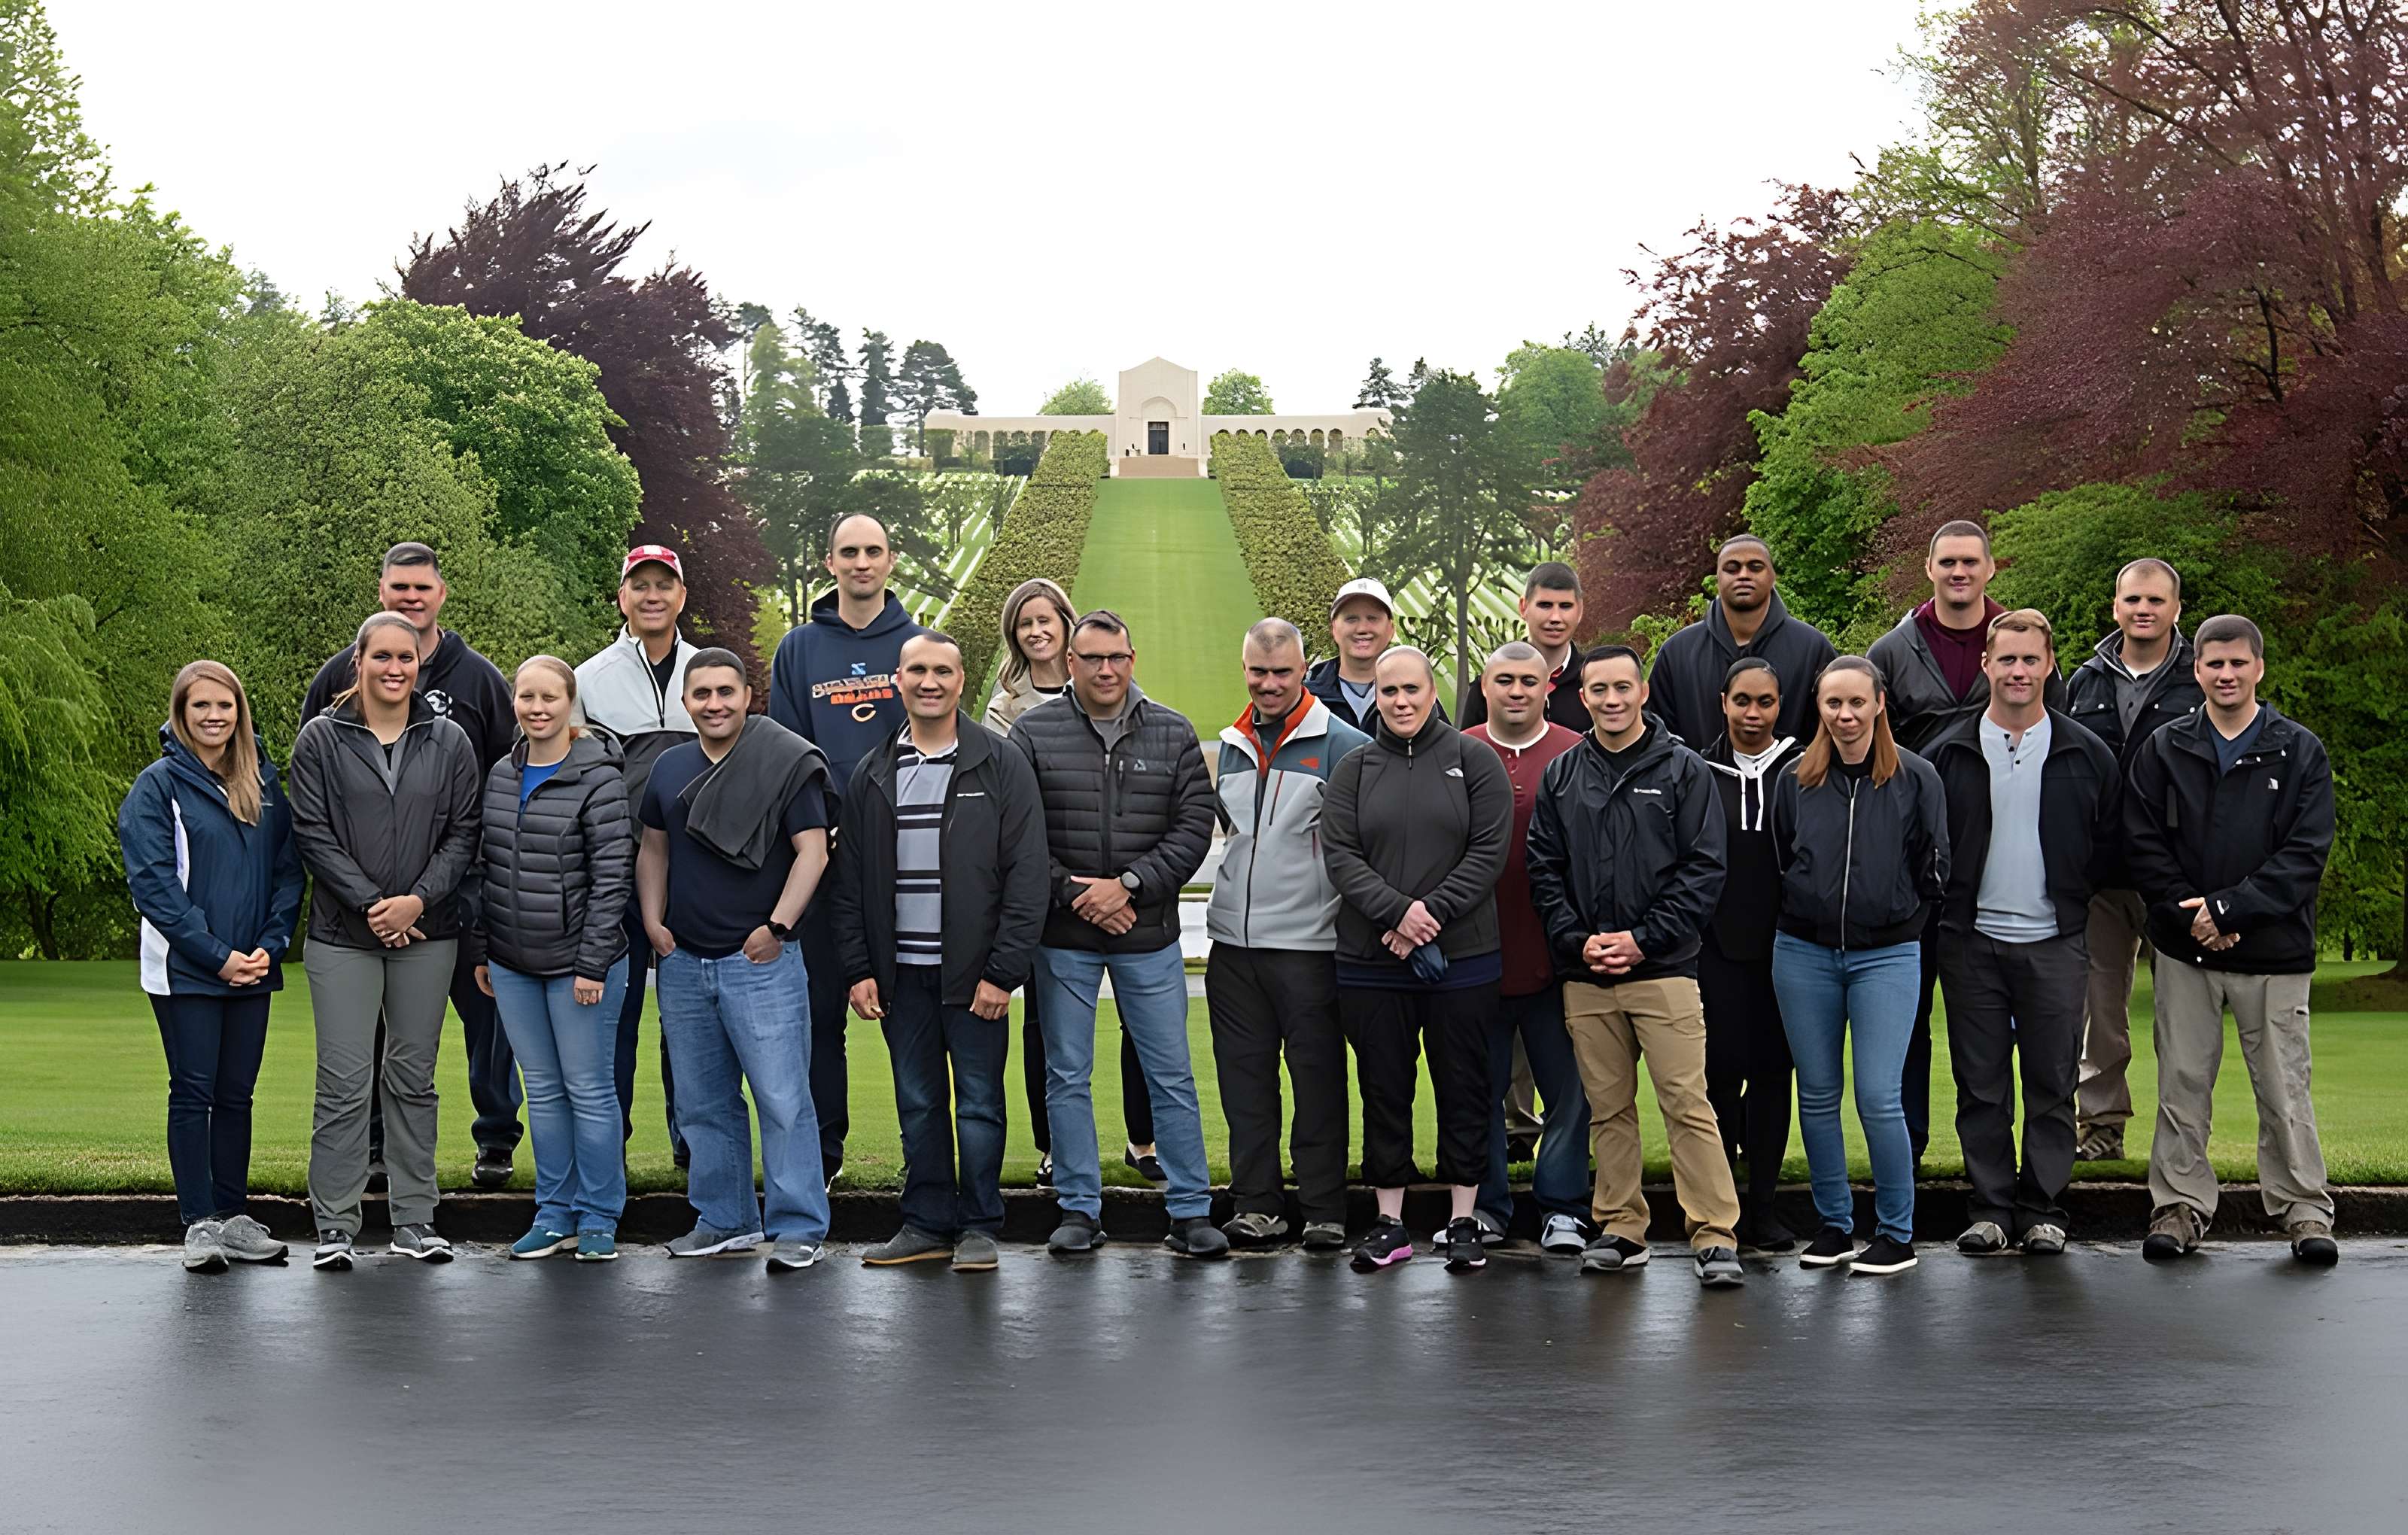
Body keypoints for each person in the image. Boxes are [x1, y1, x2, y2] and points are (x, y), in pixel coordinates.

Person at [300, 542, 521, 1189]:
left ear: (441, 594)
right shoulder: (337, 676)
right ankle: (370, 1151)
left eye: (422, 588)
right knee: (365, 1042)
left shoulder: (478, 678)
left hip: (463, 888)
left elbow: (504, 777)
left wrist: (428, 894)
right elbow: (316, 801)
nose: (411, 598)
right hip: (359, 905)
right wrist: (374, 901)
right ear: (381, 592)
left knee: (484, 1019)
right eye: (399, 588)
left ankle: (496, 1138)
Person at [1010, 609, 1226, 1259]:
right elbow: (1019, 836)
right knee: (1066, 1074)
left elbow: (1192, 830)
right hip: (1064, 935)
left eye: (1118, 658)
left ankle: (1190, 1209)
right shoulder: (1032, 731)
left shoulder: (1172, 731)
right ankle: (1079, 1207)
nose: (1106, 670)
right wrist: (1079, 894)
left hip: (1147, 931)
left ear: (1134, 660)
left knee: (1170, 1073)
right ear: (1070, 664)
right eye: (1093, 658)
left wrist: (1127, 886)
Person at [2124, 616, 2338, 1266]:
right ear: (2198, 671)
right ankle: (2180, 1206)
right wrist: (2193, 916)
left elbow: (2305, 854)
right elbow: (2141, 841)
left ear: (2259, 669)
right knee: (2183, 1082)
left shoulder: (2299, 750)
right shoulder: (2165, 747)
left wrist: (2229, 907)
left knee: (2282, 1086)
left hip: (2273, 951)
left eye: (2238, 664)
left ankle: (2303, 1209)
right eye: (2214, 665)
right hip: (2184, 949)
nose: (2226, 675)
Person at [1526, 647, 1741, 1287]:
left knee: (1686, 1102)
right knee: (1608, 1108)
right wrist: (1576, 939)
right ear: (1583, 696)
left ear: (1643, 692)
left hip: (1664, 971)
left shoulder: (1683, 770)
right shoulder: (1564, 775)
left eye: (1623, 687)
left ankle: (1714, 1235)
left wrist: (1644, 940)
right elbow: (1544, 868)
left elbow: (1704, 868)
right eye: (1599, 689)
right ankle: (1621, 1227)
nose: (1612, 699)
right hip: (1588, 975)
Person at [837, 631, 1049, 1272]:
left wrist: (1002, 973)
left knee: (979, 1103)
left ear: (963, 681)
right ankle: (926, 1220)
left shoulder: (1000, 763)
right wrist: (859, 969)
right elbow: (849, 885)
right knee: (919, 1102)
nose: (929, 682)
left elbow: (1028, 875)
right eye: (917, 671)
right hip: (901, 977)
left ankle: (980, 1224)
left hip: (974, 979)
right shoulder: (872, 772)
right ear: (897, 681)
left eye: (943, 672)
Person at [287, 612, 485, 1272]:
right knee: (344, 1082)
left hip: (428, 931)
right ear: (359, 662)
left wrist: (415, 901)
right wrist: (374, 904)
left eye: (407, 658)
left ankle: (415, 1219)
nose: (395, 668)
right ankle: (336, 1225)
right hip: (343, 935)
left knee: (412, 1077)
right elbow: (311, 832)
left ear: (418, 666)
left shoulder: (451, 741)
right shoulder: (321, 738)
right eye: (383, 657)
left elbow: (464, 833)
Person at [1865, 520, 2066, 1166]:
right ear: (1928, 567)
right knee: (1908, 1014)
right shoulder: (1893, 652)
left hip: (2002, 856)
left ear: (1990, 569)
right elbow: (1871, 754)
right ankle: (1908, 1148)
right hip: (1912, 859)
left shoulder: (2021, 642)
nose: (1959, 572)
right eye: (1947, 561)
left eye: (1970, 562)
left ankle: (2028, 1169)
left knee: (2007, 1023)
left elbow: (2055, 743)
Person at [1925, 612, 2118, 1257]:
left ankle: (2043, 1209)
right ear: (1987, 666)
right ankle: (1989, 1209)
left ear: (2049, 665)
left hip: (2055, 940)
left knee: (2051, 1079)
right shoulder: (1948, 753)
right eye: (2006, 660)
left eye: (2031, 660)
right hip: (1971, 940)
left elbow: (2111, 843)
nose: (2018, 672)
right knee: (1980, 1084)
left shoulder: (2085, 753)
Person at [640, 649, 836, 1270]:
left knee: (782, 1098)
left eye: (726, 692)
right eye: (702, 694)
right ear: (686, 702)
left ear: (748, 696)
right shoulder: (669, 767)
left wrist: (778, 926)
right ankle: (724, 1219)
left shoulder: (783, 761)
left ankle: (798, 1225)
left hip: (762, 962)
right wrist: (653, 921)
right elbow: (653, 849)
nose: (714, 704)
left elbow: (814, 852)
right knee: (701, 1102)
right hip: (683, 961)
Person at [1322, 646, 1513, 1272]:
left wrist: (1425, 917)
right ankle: (1391, 1223)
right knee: (1384, 1089)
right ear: (1374, 695)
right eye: (1388, 691)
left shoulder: (1473, 760)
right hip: (1372, 961)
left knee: (1464, 1087)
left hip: (1463, 958)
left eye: (1412, 690)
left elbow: (1488, 853)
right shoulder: (1355, 768)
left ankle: (1463, 1219)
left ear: (1434, 693)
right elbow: (1342, 856)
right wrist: (1397, 914)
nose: (1401, 702)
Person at [117, 661, 306, 1272]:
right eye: (201, 706)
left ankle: (233, 1217)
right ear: (182, 712)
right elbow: (153, 887)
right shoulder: (158, 786)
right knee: (193, 1092)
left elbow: (286, 872)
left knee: (237, 1096)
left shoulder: (262, 781)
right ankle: (199, 1223)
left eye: (224, 706)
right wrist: (216, 955)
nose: (214, 716)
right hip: (186, 970)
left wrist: (268, 947)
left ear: (239, 712)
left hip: (252, 966)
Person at [1768, 656, 1950, 1278]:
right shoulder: (1795, 779)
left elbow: (1934, 867)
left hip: (1888, 956)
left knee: (1879, 1096)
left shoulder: (1916, 777)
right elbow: (1780, 859)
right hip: (1803, 954)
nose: (1844, 716)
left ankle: (1896, 1232)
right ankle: (1834, 1225)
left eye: (1856, 703)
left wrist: (1900, 922)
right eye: (1832, 704)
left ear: (1879, 705)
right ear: (1818, 708)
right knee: (1817, 1095)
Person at [767, 513, 925, 1185]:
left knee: (913, 1026)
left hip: (904, 868)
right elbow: (787, 755)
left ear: (891, 561)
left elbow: (931, 744)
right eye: (848, 553)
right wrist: (822, 827)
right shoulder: (799, 649)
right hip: (822, 864)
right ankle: (821, 1158)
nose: (862, 563)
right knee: (818, 1021)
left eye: (873, 551)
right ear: (829, 565)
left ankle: (926, 1166)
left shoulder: (919, 643)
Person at [982, 576, 1154, 1189]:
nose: (1035, 631)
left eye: (1044, 620)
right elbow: (1009, 811)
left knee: (1140, 1025)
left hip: (1121, 889)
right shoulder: (1006, 708)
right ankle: (1054, 1146)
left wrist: (1119, 887)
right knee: (1045, 1032)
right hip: (1045, 889)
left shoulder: (1114, 685)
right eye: (1023, 623)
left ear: (1066, 626)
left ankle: (1145, 1137)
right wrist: (1074, 890)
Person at [1205, 619, 1370, 1251]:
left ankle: (1325, 1208)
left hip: (1310, 946)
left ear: (1305, 670)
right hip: (1234, 947)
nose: (1268, 684)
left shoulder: (1345, 744)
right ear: (1244, 669)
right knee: (1244, 1084)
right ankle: (1258, 1205)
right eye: (1257, 672)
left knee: (1318, 1081)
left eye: (1281, 673)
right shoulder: (1233, 743)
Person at [475, 657, 634, 1263]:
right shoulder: (499, 775)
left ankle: (598, 1215)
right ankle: (554, 1212)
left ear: (571, 704)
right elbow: (484, 869)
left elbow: (612, 878)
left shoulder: (599, 778)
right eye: (526, 697)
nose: (536, 708)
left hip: (581, 967)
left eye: (549, 697)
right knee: (540, 1091)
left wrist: (592, 964)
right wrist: (484, 949)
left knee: (589, 1091)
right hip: (513, 962)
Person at [2065, 558, 2203, 1162]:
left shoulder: (2201, 680)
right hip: (2102, 875)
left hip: (2178, 874)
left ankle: (2182, 1135)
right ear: (2115, 607)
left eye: (2155, 600)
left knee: (2183, 1012)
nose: (2143, 610)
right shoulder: (2083, 682)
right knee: (2101, 1010)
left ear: (2176, 609)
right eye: (2132, 600)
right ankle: (2101, 1127)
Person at [1462, 641, 1591, 1254]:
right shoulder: (1458, 751)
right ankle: (1487, 1206)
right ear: (1485, 687)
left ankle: (1562, 1206)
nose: (1517, 691)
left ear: (1548, 687)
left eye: (1528, 681)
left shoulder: (1576, 751)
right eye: (1504, 680)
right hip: (1475, 958)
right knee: (1479, 1091)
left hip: (1557, 959)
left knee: (1570, 1090)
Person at [575, 545, 700, 1165]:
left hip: (699, 871)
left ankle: (692, 1143)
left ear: (681, 595)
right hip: (617, 873)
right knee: (616, 1018)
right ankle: (609, 1148)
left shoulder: (708, 671)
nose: (653, 596)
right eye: (640, 585)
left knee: (691, 1019)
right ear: (621, 597)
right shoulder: (589, 678)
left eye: (664, 585)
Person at [1698, 657, 1804, 1252]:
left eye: (1765, 702)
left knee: (1772, 1080)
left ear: (1779, 706)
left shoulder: (1801, 766)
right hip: (1715, 951)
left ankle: (1763, 1206)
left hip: (1787, 949)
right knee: (1717, 1082)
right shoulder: (1698, 771)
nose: (1753, 714)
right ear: (1724, 702)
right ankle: (1722, 1207)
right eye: (1743, 701)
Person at [1646, 535, 1836, 749]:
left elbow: (1832, 731)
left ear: (1772, 576)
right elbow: (1657, 738)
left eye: (1755, 567)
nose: (1744, 575)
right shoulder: (1678, 652)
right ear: (1717, 577)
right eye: (1732, 568)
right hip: (1697, 782)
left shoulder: (1812, 648)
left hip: (1793, 781)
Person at [1458, 563, 1592, 732]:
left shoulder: (1595, 683)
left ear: (1579, 610)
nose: (1555, 618)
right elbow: (1468, 753)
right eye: (1545, 605)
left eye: (1565, 606)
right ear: (1523, 607)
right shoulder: (1487, 688)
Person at [1306, 576, 1446, 733]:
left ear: (1391, 629)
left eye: (1373, 618)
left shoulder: (1419, 694)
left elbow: (1446, 750)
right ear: (1334, 629)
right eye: (1351, 619)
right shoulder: (1307, 696)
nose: (1362, 629)